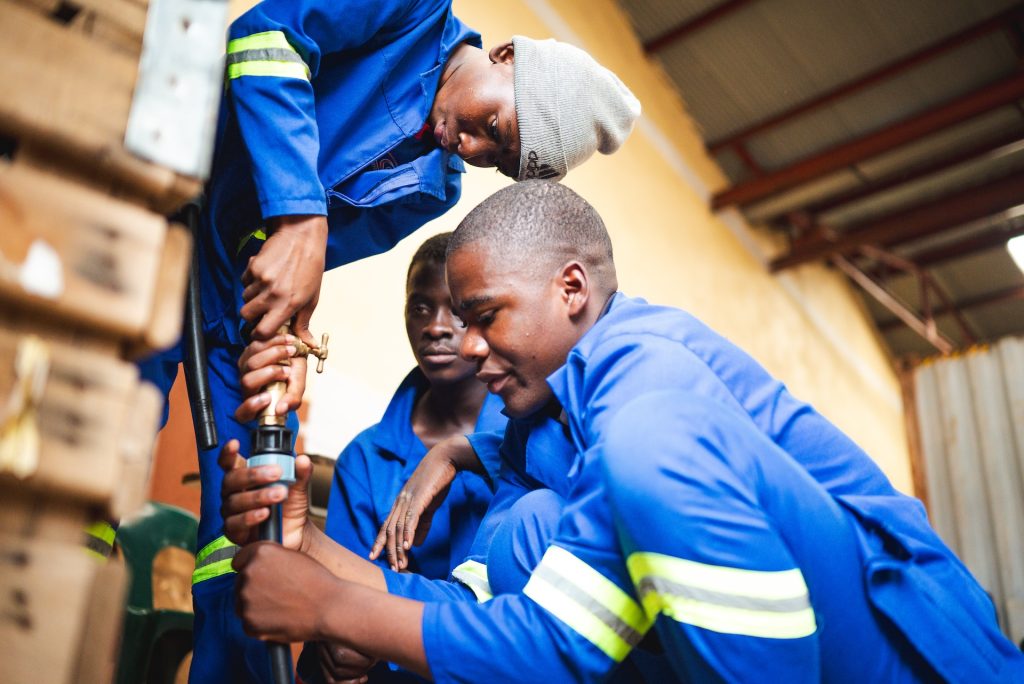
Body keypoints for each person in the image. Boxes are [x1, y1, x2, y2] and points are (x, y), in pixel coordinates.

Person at [225, 181, 1024, 683]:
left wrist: (332, 611)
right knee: (525, 536)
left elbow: (555, 648)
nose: (465, 345)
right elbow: (520, 624)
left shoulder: (649, 389)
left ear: (571, 289)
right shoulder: (547, 427)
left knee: (640, 458)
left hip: (904, 656)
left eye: (484, 315)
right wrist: (311, 551)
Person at [138, 0, 641, 679]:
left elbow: (292, 263)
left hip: (232, 310)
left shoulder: (434, 188)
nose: (473, 147)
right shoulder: (409, 11)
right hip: (160, 214)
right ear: (506, 57)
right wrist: (302, 213)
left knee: (251, 517)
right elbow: (264, 41)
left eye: (497, 155)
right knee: (119, 426)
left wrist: (280, 334)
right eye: (493, 124)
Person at [296, 232, 506, 683]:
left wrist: (375, 633)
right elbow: (346, 586)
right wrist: (345, 638)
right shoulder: (366, 457)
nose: (435, 326)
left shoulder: (525, 444)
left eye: (456, 309)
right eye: (420, 308)